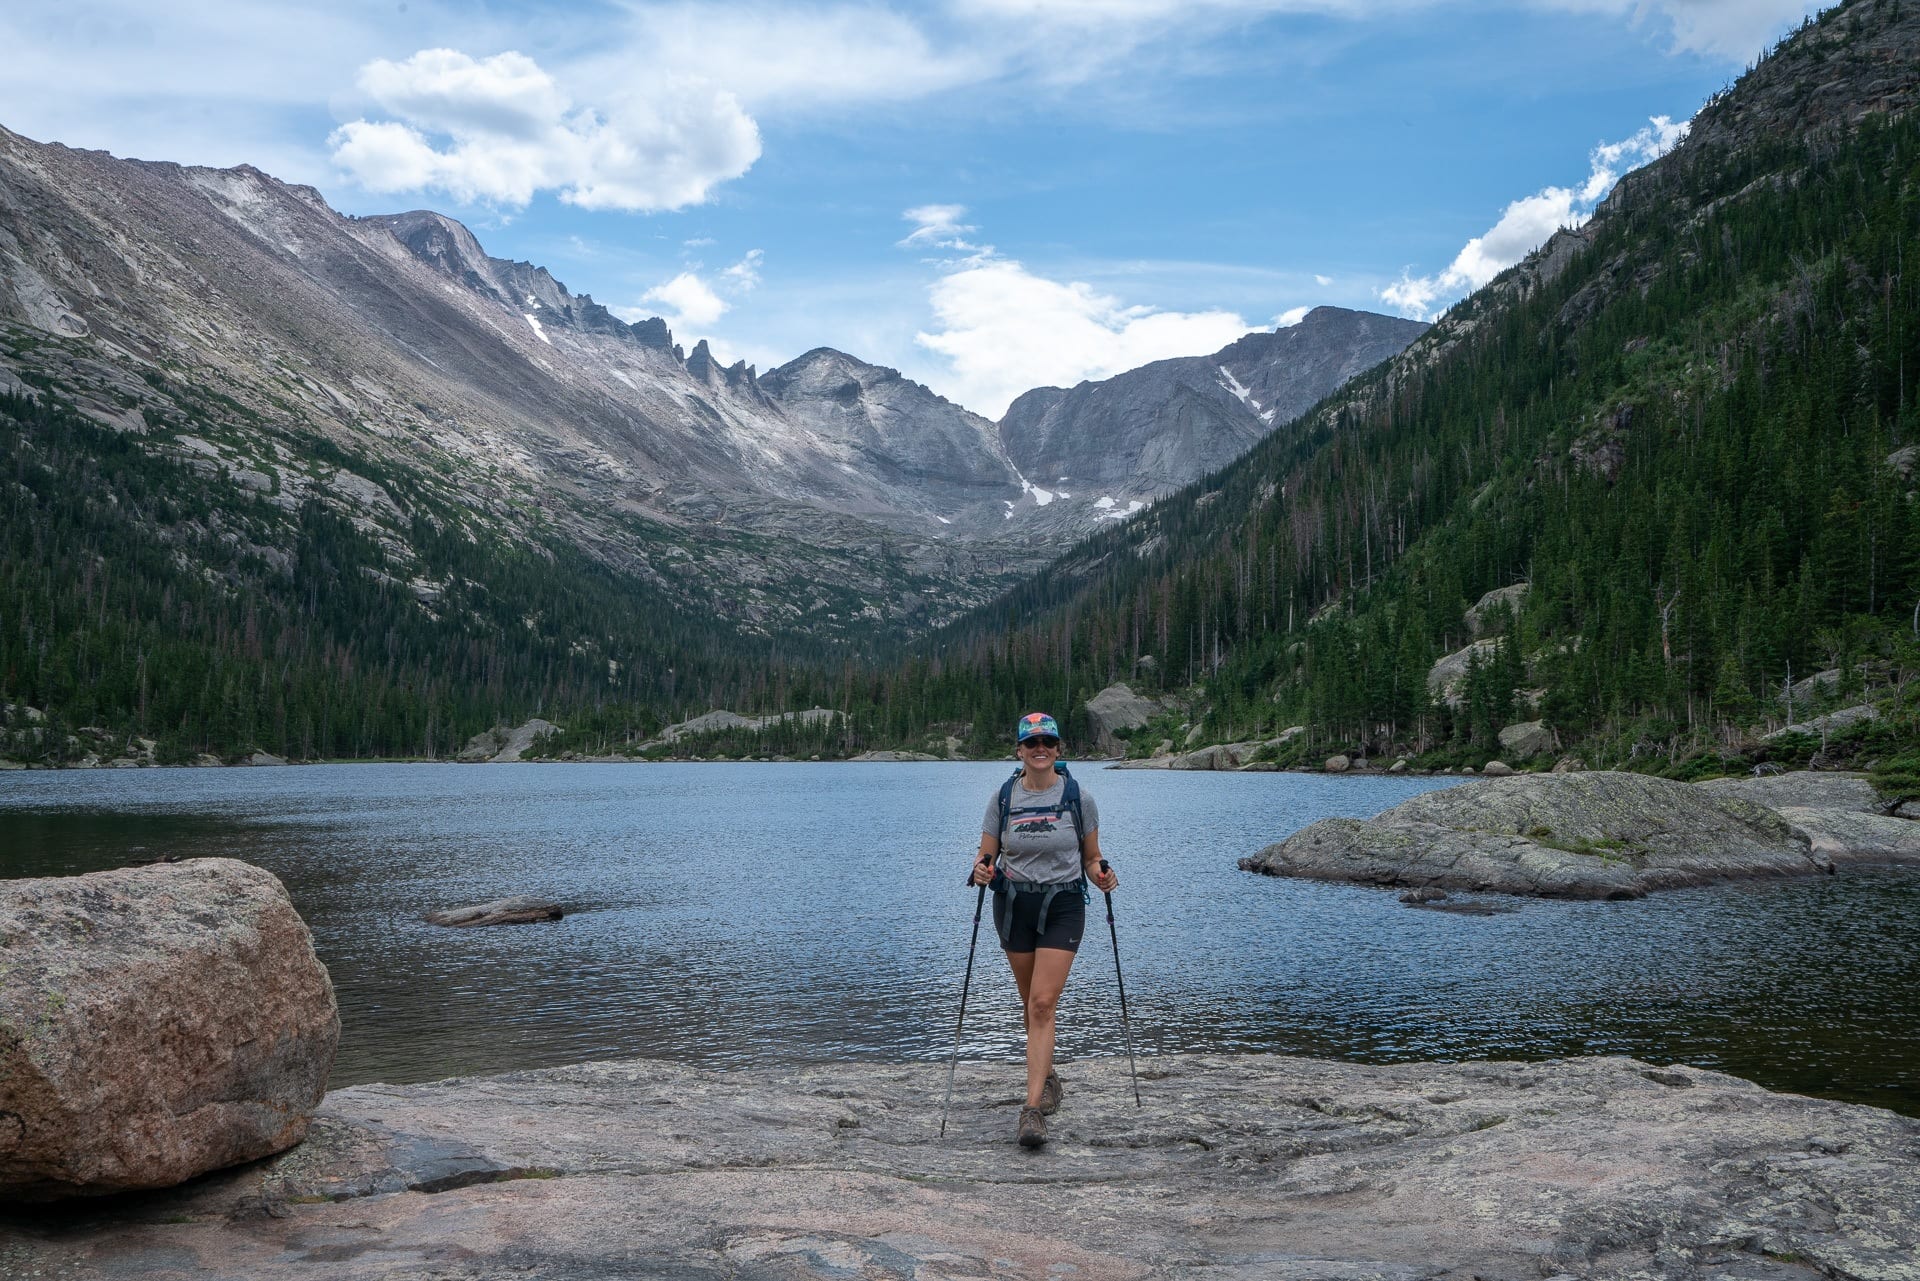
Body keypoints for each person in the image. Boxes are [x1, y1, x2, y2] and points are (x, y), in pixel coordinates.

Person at [971, 711, 1118, 1148]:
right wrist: (980, 871)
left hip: (1064, 905)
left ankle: (1032, 1110)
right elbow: (986, 857)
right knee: (1030, 1003)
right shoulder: (1002, 798)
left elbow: (1092, 857)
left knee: (1040, 1002)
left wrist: (1102, 874)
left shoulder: (1078, 797)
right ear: (1019, 750)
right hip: (1014, 904)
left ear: (1058, 749)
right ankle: (1049, 1075)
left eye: (1048, 743)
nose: (1040, 750)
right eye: (1031, 743)